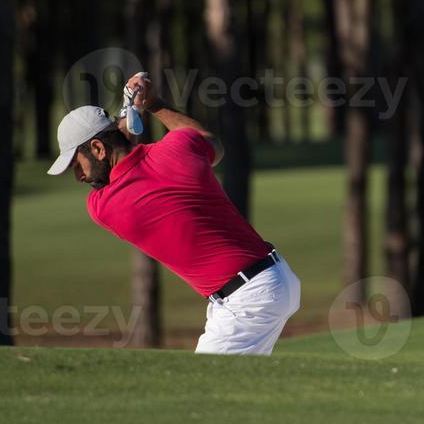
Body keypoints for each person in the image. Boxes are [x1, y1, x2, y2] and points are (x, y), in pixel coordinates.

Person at [47, 73, 299, 354]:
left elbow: (124, 145)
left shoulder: (103, 206)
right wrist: (153, 103)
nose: (78, 176)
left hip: (248, 299)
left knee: (202, 393)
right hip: (273, 278)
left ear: (97, 148)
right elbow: (208, 140)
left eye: (76, 163)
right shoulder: (179, 148)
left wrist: (130, 111)